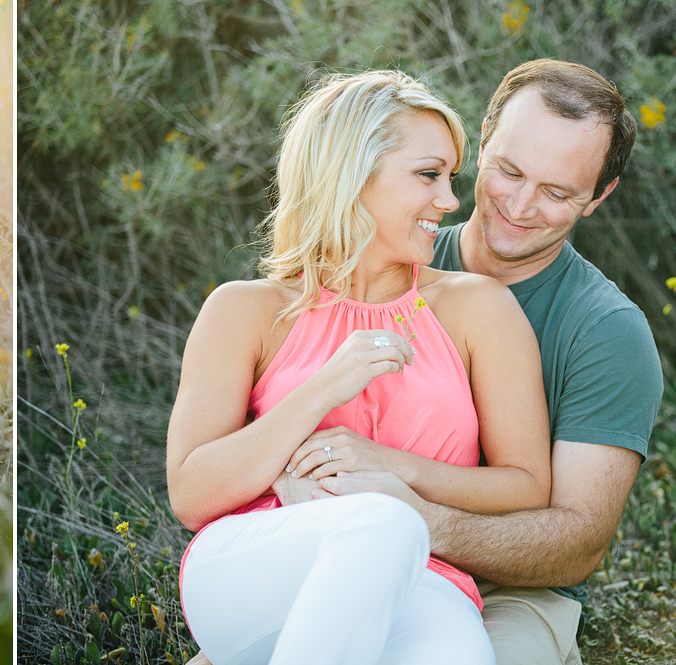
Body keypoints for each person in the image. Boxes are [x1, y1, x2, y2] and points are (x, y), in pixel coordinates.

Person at [167, 70, 553, 664]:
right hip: (257, 564)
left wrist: (392, 472)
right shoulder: (243, 310)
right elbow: (192, 494)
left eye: (451, 177)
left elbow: (527, 486)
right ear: (352, 174)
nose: (451, 201)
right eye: (428, 175)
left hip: (427, 581)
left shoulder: (479, 309)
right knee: (381, 527)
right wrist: (326, 386)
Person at [310, 59, 663, 665]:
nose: (521, 205)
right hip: (346, 555)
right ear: (483, 139)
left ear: (599, 196)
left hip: (511, 593)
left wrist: (420, 522)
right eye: (508, 170)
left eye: (557, 193)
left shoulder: (607, 332)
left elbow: (576, 545)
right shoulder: (386, 258)